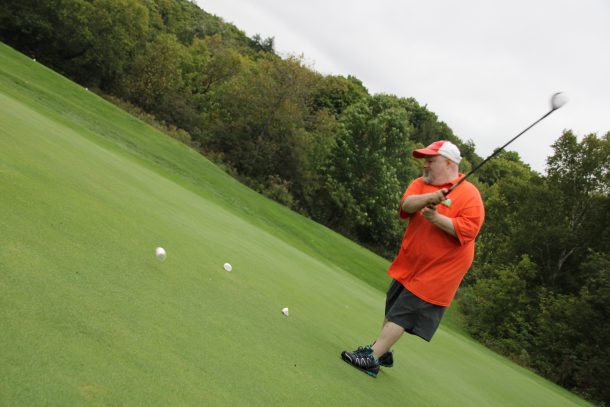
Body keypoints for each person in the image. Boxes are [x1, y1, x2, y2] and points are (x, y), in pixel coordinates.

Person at [340, 140, 485, 378]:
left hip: (442, 269)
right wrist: (431, 198)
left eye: (431, 160)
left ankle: (372, 358)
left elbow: (469, 231)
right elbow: (406, 205)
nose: (425, 165)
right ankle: (384, 349)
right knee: (394, 303)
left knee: (404, 311)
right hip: (413, 261)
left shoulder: (469, 194)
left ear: (449, 163)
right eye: (425, 160)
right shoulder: (421, 184)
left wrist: (436, 218)